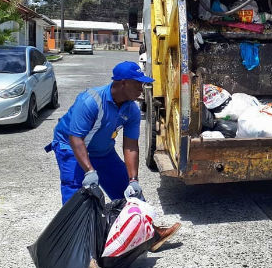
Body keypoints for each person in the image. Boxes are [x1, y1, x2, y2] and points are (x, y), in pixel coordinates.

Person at [45, 61, 180, 251]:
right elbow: (75, 138)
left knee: (128, 191)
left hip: (102, 151)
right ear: (123, 83)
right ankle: (75, 246)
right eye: (138, 83)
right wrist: (90, 171)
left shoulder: (131, 109)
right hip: (71, 148)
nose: (142, 88)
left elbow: (131, 145)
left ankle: (151, 236)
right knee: (77, 195)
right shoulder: (91, 101)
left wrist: (134, 179)